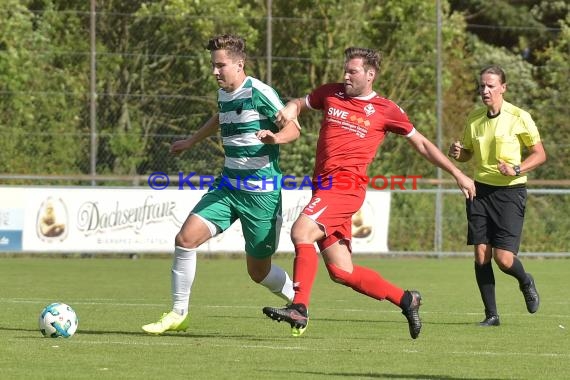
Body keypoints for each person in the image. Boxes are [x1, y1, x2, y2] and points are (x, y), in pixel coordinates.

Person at [262, 47, 476, 339]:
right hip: (323, 189)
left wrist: (458, 173)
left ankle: (299, 307)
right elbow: (301, 103)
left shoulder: (386, 109)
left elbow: (422, 144)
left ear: (370, 75)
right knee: (342, 272)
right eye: (345, 70)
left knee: (301, 232)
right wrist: (291, 106)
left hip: (345, 187)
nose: (346, 76)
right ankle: (406, 299)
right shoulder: (331, 93)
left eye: (353, 71)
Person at [142, 34, 301, 334]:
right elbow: (220, 117)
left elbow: (294, 129)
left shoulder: (260, 92)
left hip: (261, 196)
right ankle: (179, 313)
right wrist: (191, 141)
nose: (215, 72)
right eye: (213, 66)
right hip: (227, 188)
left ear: (239, 64)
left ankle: (298, 305)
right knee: (185, 239)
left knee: (259, 272)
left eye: (220, 65)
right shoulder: (224, 93)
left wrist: (275, 138)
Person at [448, 65, 546, 326]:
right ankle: (491, 315)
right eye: (482, 85)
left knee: (503, 259)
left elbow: (539, 154)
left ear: (503, 87)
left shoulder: (519, 116)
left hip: (510, 192)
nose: (485, 90)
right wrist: (460, 153)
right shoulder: (475, 118)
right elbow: (469, 153)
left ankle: (526, 281)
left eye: (491, 85)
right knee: (481, 254)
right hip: (480, 190)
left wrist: (516, 168)